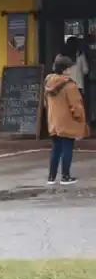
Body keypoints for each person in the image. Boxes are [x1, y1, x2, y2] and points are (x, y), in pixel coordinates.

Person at [44, 54, 87, 185]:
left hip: (54, 120)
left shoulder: (48, 82)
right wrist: (80, 118)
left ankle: (51, 177)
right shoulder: (70, 85)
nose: (70, 70)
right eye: (69, 67)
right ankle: (65, 176)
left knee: (56, 148)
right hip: (67, 121)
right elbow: (76, 106)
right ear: (64, 69)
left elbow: (45, 102)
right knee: (67, 147)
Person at [63, 35, 89, 100]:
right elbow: (86, 70)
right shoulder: (80, 55)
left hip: (65, 85)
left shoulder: (63, 55)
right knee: (78, 107)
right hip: (78, 85)